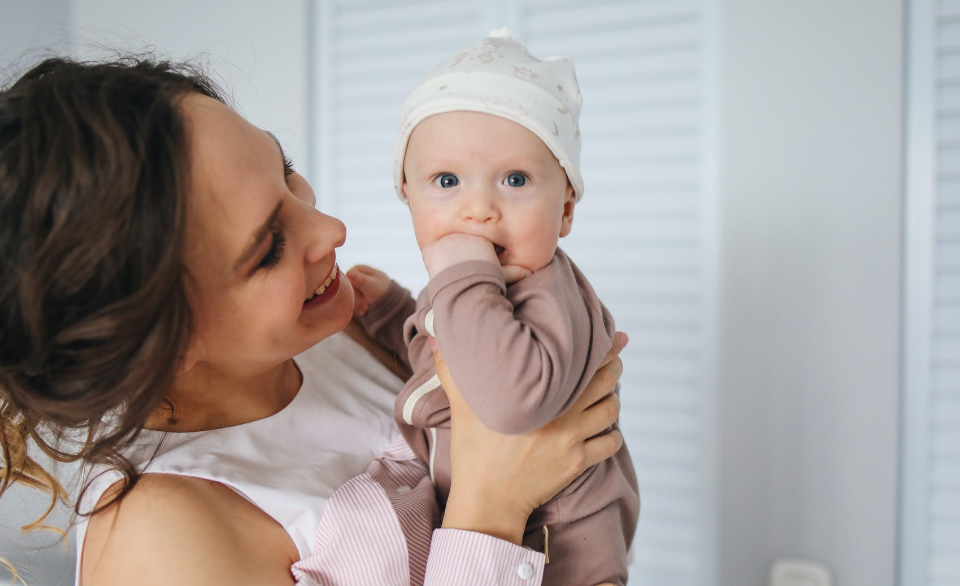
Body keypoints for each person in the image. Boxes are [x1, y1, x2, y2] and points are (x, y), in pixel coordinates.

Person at [0, 55, 628, 586]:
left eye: (285, 172)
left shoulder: (344, 327)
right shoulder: (162, 543)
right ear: (154, 347)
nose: (331, 231)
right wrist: (490, 507)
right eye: (268, 247)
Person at [344, 30, 639, 586]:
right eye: (447, 181)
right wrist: (391, 313)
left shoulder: (545, 290)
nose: (478, 208)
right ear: (408, 195)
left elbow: (508, 402)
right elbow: (446, 357)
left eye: (516, 180)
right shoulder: (474, 288)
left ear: (566, 211)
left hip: (565, 557)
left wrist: (459, 278)